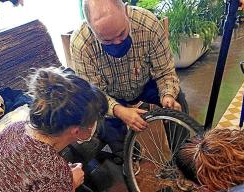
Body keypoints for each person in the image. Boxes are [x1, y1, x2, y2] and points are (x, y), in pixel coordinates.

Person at [0, 67, 108, 192]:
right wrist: (69, 185)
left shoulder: (14, 128)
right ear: (76, 130)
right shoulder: (54, 170)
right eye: (94, 120)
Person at [70, 0, 188, 159]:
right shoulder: (81, 44)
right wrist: (119, 111)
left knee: (177, 102)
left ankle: (183, 155)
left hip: (146, 83)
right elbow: (94, 94)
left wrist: (168, 95)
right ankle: (127, 156)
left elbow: (165, 71)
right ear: (90, 28)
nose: (117, 43)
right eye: (106, 40)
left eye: (121, 33)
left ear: (125, 12)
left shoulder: (148, 24)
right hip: (110, 94)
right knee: (107, 124)